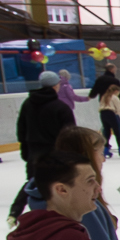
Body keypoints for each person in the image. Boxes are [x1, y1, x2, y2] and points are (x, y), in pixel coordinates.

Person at [56, 126, 120, 240]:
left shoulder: (61, 194)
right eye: (101, 153)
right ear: (87, 155)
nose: (103, 160)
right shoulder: (82, 203)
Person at [14, 73, 74, 212]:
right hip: (55, 154)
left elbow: (21, 128)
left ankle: (16, 211)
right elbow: (70, 134)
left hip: (34, 152)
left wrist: (26, 150)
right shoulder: (60, 107)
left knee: (33, 182)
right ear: (55, 85)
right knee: (56, 185)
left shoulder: (28, 104)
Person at [97, 79, 120, 158]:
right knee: (117, 132)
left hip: (103, 114)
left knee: (106, 132)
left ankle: (106, 149)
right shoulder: (114, 97)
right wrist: (119, 116)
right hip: (111, 114)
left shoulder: (104, 96)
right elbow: (118, 108)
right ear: (116, 91)